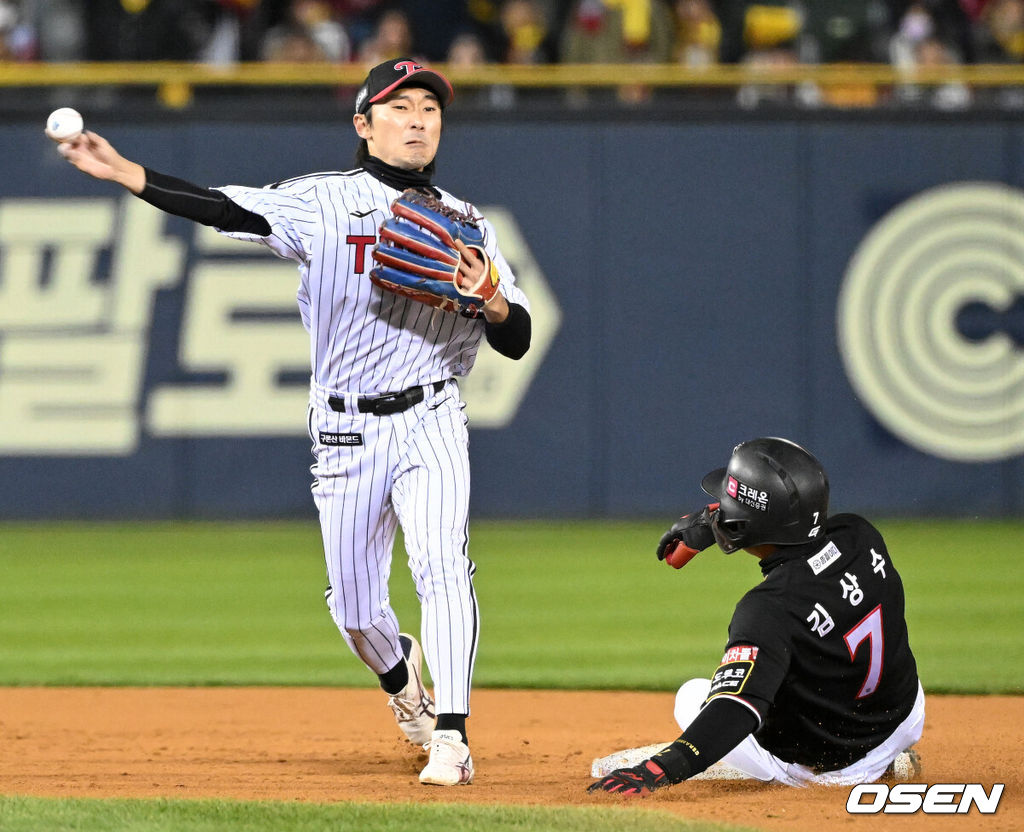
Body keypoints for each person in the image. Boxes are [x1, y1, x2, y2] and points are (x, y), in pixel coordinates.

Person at [56, 57, 532, 787]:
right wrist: (130, 174)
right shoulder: (323, 203)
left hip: (433, 417)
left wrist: (493, 298)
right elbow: (222, 208)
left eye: (430, 109)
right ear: (363, 124)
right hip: (345, 429)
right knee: (355, 611)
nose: (417, 119)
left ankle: (453, 736)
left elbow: (517, 335)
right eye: (399, 106)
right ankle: (402, 680)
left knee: (444, 569)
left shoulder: (469, 225)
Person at [589, 437, 924, 795]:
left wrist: (659, 770)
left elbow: (734, 711)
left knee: (692, 697)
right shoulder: (860, 535)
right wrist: (712, 523)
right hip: (902, 718)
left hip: (829, 764)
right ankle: (889, 757)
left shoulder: (769, 607)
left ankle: (833, 773)